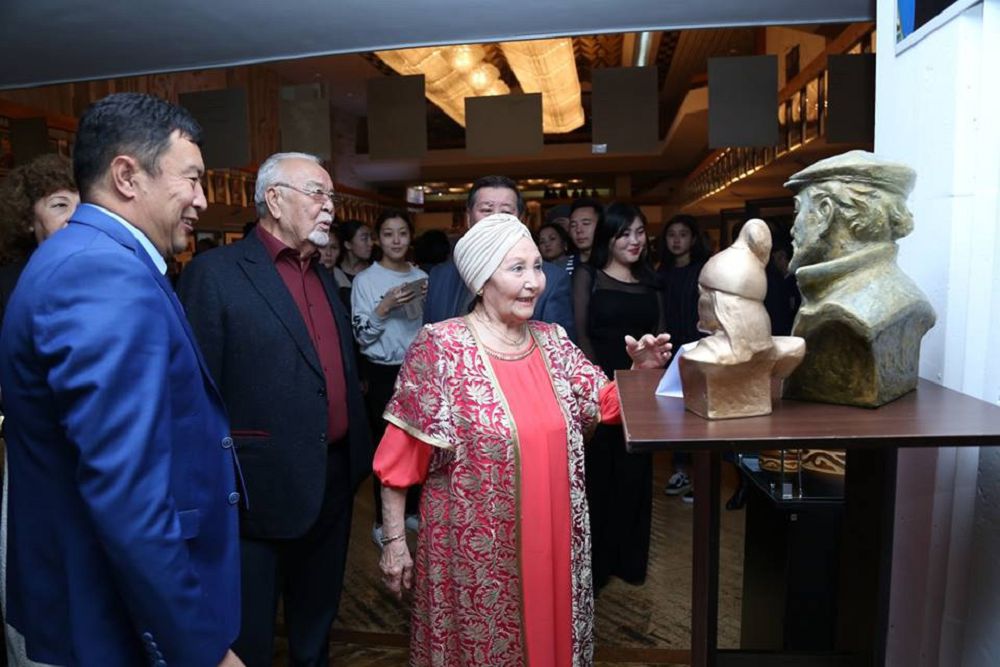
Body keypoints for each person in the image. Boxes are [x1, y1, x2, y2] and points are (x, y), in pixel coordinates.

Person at [0, 92, 243, 666]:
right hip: (115, 612)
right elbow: (127, 493)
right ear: (128, 176)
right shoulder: (99, 271)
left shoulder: (95, 256)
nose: (203, 200)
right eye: (192, 178)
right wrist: (202, 650)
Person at [373, 213, 672, 665]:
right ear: (481, 279)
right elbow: (399, 460)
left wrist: (641, 372)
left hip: (556, 542)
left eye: (537, 266)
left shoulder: (553, 341)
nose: (534, 282)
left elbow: (605, 404)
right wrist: (395, 543)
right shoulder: (442, 347)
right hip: (477, 555)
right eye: (517, 269)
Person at [178, 151, 371, 667]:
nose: (330, 206)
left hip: (333, 480)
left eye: (331, 196)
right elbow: (194, 394)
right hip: (255, 490)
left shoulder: (321, 274)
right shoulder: (215, 274)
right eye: (317, 193)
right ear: (275, 199)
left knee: (316, 628)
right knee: (250, 637)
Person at [782, 150, 936, 407]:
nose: (792, 227)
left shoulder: (854, 311)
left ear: (825, 214)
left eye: (798, 210)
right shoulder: (827, 293)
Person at [574, 202, 666, 589]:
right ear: (608, 238)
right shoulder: (588, 276)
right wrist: (602, 388)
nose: (634, 240)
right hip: (601, 390)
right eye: (625, 233)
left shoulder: (651, 281)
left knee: (634, 478)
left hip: (641, 393)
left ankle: (629, 562)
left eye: (640, 232)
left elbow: (661, 336)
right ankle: (597, 566)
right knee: (599, 478)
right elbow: (581, 334)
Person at [350, 208, 427, 545]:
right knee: (388, 447)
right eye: (388, 234)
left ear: (410, 238)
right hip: (382, 372)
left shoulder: (422, 276)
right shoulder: (366, 280)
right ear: (378, 240)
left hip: (418, 369)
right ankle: (384, 521)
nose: (396, 240)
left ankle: (411, 511)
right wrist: (385, 306)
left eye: (402, 233)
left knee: (419, 443)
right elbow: (362, 336)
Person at [423, 175, 575, 339]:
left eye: (506, 212)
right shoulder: (440, 276)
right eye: (486, 210)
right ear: (468, 217)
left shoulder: (551, 280)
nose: (497, 219)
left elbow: (558, 350)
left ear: (521, 219)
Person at [655, 214, 711, 501]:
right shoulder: (661, 272)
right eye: (671, 234)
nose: (676, 240)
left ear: (693, 239)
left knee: (700, 409)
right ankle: (680, 471)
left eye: (683, 234)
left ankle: (703, 478)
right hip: (670, 347)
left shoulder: (703, 271)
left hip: (699, 346)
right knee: (674, 409)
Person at [0, 153, 78, 323]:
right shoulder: (7, 286)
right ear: (28, 218)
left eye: (82, 206)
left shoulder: (106, 270)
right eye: (60, 205)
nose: (76, 216)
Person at [335, 218, 373, 305]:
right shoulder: (335, 274)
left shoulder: (374, 272)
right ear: (348, 245)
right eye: (364, 238)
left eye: (371, 238)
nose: (371, 243)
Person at [568, 196, 602, 265]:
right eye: (573, 225)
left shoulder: (616, 264)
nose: (578, 230)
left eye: (586, 223)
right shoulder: (561, 267)